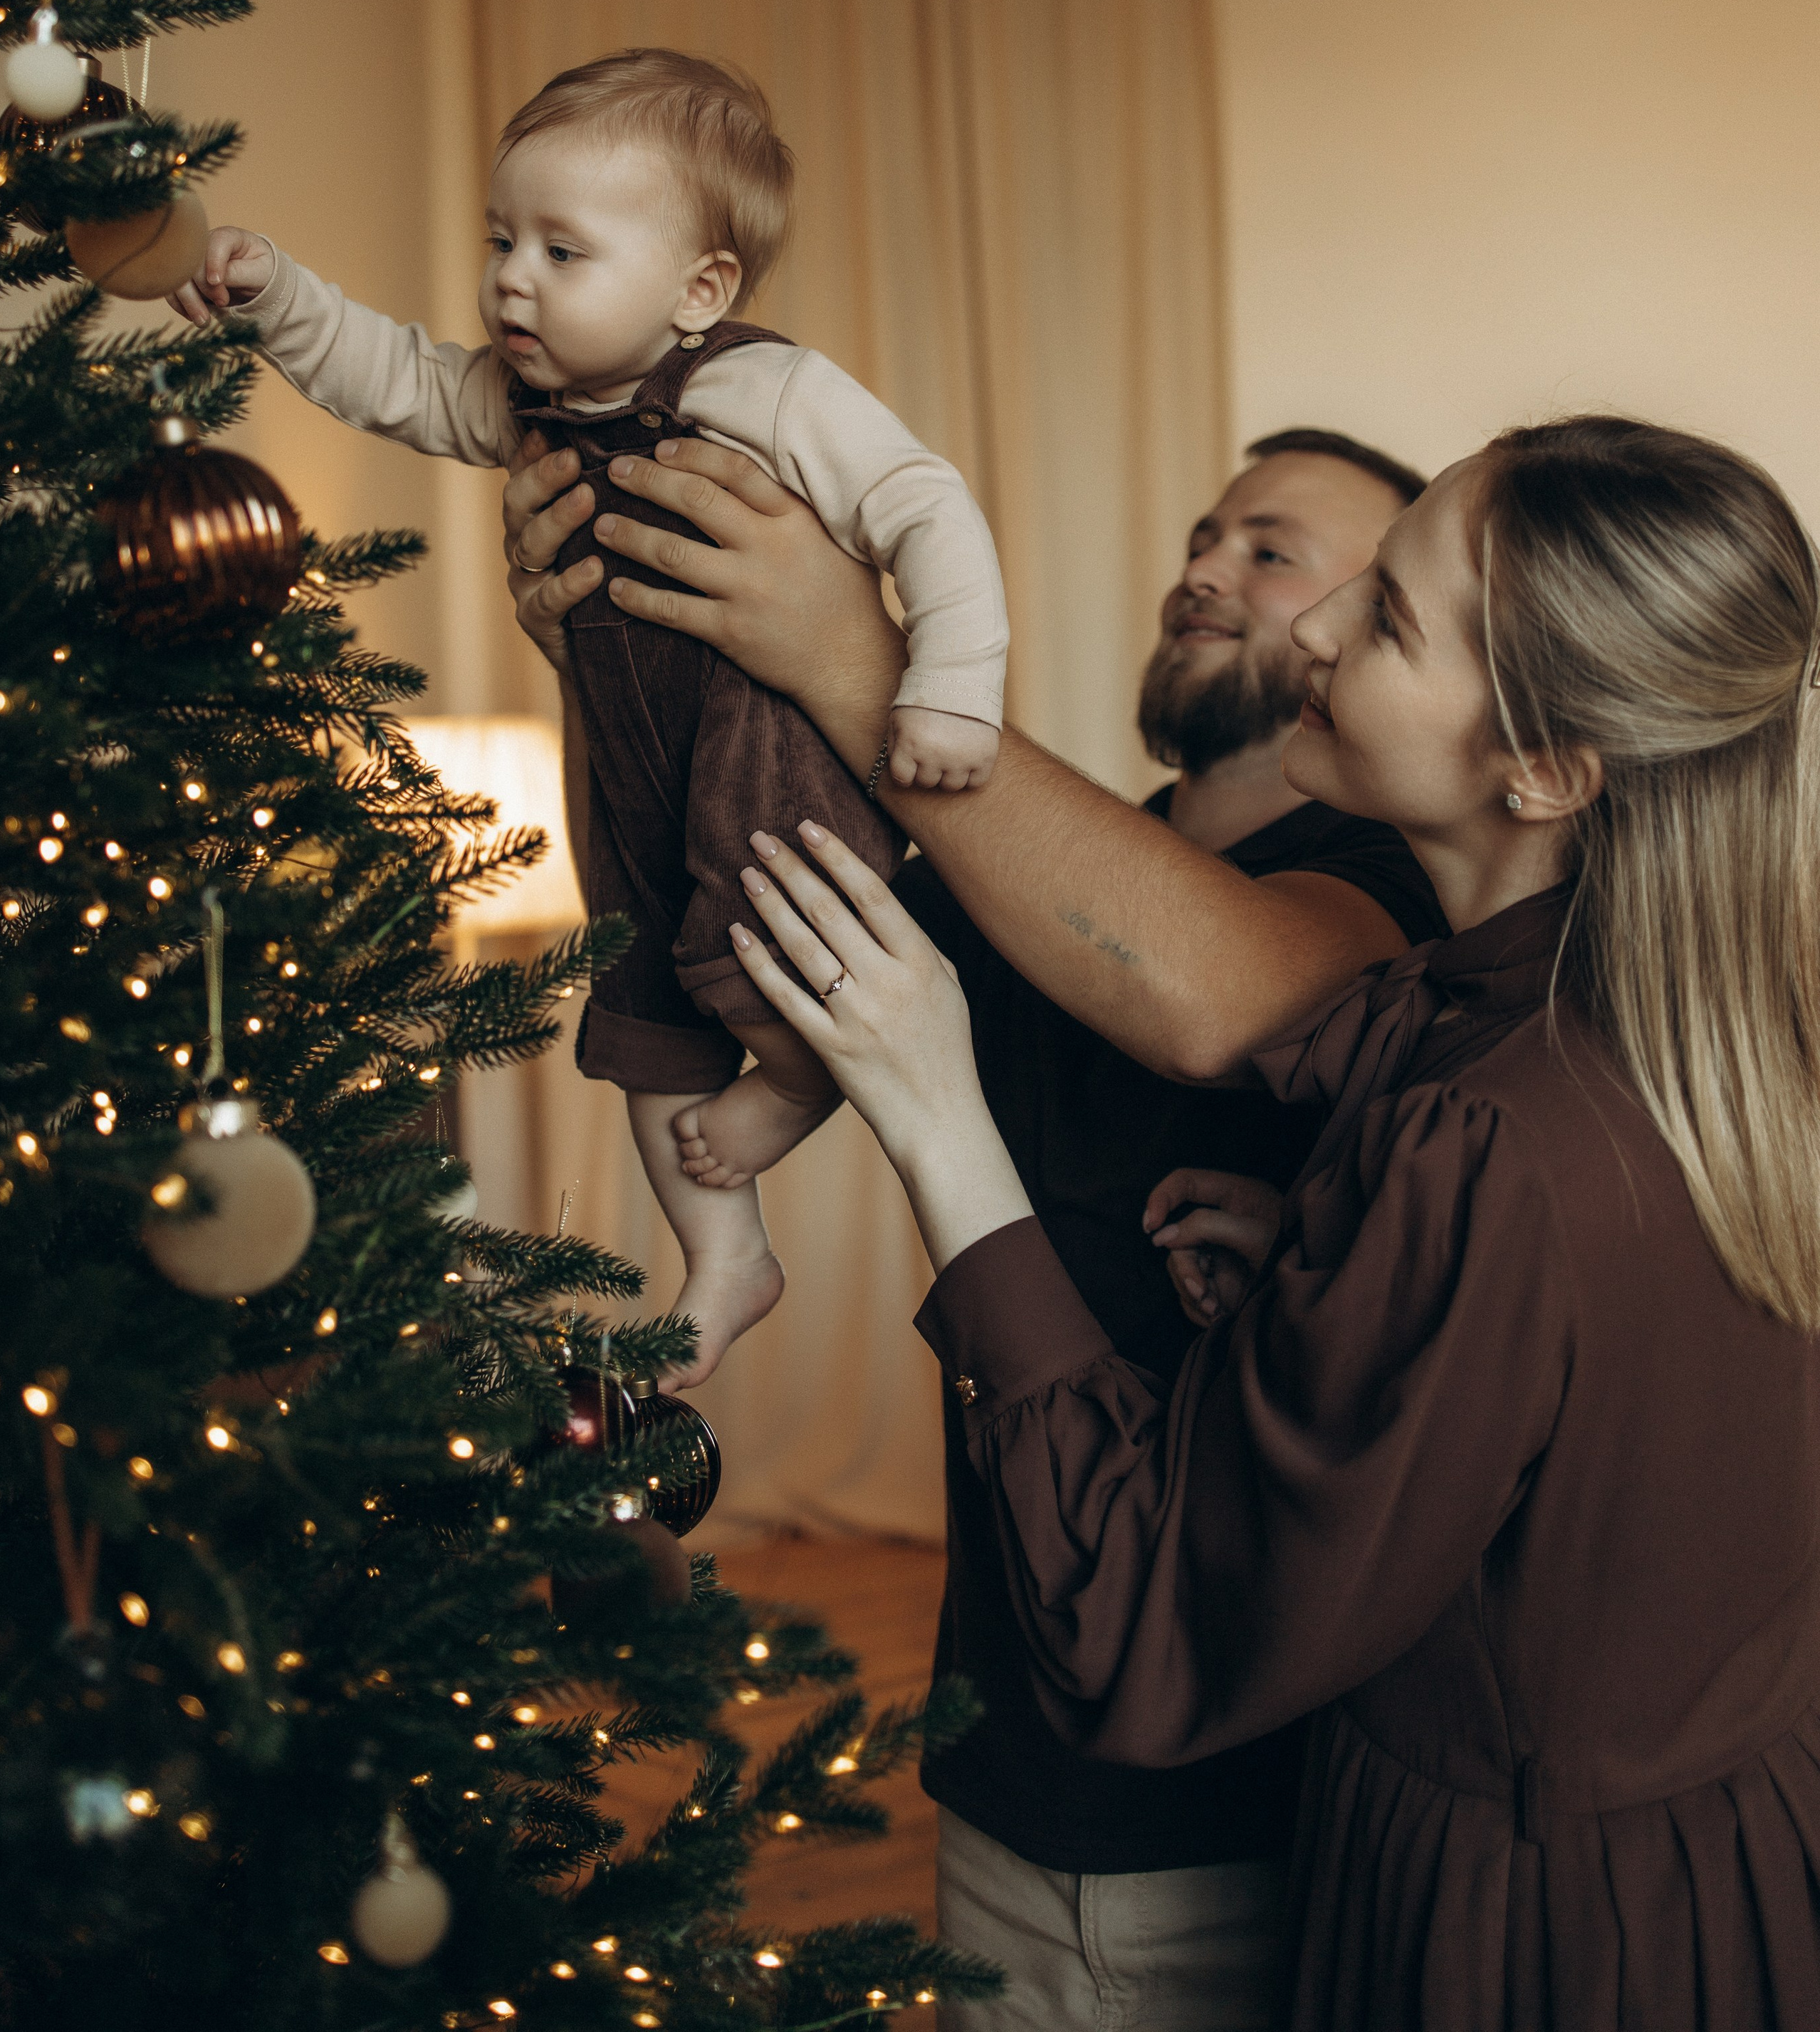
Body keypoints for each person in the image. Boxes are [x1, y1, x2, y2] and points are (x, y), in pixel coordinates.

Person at [699, 415, 1820, 2031]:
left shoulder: (1485, 1132)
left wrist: (935, 1117)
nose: (1310, 625)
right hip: (1726, 1869)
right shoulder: (1686, 1030)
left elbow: (1145, 1635)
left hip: (1519, 1936)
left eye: (1386, 616)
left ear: (1545, 768)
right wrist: (1337, 1269)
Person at [501, 425, 1448, 2027]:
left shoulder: (1394, 886)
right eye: (1205, 531)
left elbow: (1219, 997)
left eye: (1271, 549)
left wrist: (848, 647)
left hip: (1246, 1797)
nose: (1203, 567)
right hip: (1008, 1741)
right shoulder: (1039, 855)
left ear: (1369, 633)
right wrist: (615, 647)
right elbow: (716, 892)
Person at [167, 48, 1009, 1382]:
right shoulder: (522, 405)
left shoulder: (766, 393)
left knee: (776, 929)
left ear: (701, 289)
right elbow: (390, 374)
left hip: (761, 742)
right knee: (634, 999)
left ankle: (796, 1083)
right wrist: (279, 300)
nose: (512, 277)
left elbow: (927, 507)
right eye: (503, 239)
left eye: (565, 251)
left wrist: (952, 691)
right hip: (616, 758)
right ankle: (726, 1251)